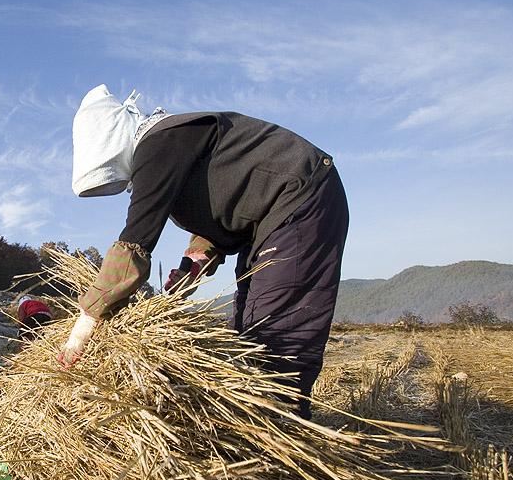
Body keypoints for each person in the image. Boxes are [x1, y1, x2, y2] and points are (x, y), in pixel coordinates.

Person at [58, 84, 349, 420]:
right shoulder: (168, 149)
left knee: (274, 340)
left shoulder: (160, 142)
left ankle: (283, 439)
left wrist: (83, 328)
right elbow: (220, 205)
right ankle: (258, 427)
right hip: (272, 218)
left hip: (301, 198)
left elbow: (134, 244)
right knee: (246, 331)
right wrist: (193, 265)